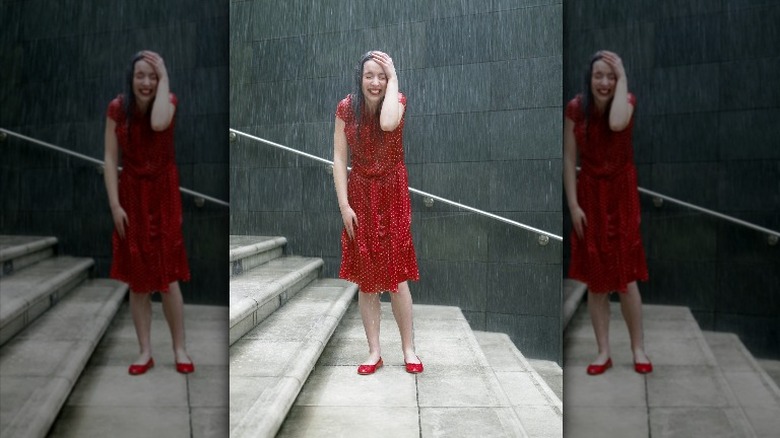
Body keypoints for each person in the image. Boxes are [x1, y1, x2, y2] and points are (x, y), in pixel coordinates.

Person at [103, 50, 194, 375]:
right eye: (140, 75)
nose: (146, 82)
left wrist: (165, 75)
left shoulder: (167, 101)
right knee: (138, 282)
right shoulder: (117, 109)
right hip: (131, 199)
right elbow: (110, 160)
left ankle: (179, 349)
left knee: (168, 278)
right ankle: (144, 352)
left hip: (163, 195)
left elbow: (157, 123)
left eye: (152, 76)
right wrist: (115, 205)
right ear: (131, 78)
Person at [332, 50, 422, 375]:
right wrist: (344, 205)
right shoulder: (346, 108)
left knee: (396, 276)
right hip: (360, 195)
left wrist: (394, 75)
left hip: (393, 191)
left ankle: (409, 349)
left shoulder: (396, 100)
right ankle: (374, 352)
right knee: (367, 281)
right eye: (369, 75)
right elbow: (339, 159)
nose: (375, 82)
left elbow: (387, 123)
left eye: (381, 76)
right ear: (360, 77)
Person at [563, 50, 652, 375]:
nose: (604, 82)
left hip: (621, 196)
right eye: (599, 75)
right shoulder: (576, 108)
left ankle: (638, 349)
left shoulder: (625, 102)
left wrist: (623, 74)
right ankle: (603, 352)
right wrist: (573, 205)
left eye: (611, 76)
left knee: (626, 278)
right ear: (590, 78)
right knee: (597, 281)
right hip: (590, 198)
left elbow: (616, 122)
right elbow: (568, 158)